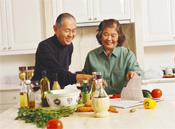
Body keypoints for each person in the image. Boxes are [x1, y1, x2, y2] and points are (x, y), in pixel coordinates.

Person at [82, 19, 144, 94]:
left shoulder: (127, 54)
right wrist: (91, 80)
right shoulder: (91, 56)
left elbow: (139, 72)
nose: (109, 39)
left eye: (113, 35)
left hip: (122, 99)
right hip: (98, 99)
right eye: (106, 34)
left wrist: (134, 74)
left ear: (119, 37)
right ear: (100, 36)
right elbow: (84, 77)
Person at [32, 13, 92, 89]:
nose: (70, 35)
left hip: (59, 91)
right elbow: (59, 74)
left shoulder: (69, 46)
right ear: (55, 29)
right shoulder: (44, 47)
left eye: (73, 31)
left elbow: (64, 73)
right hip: (41, 92)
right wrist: (84, 77)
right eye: (67, 30)